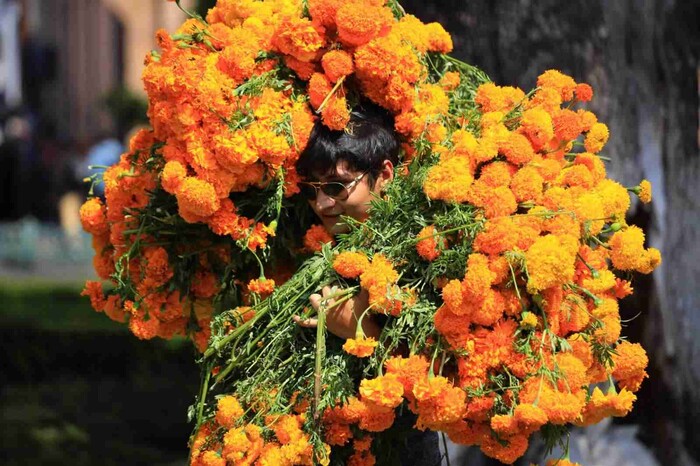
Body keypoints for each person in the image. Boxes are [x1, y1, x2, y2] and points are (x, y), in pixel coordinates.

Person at [292, 104, 443, 466]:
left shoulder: (426, 246)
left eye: (336, 186)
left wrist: (361, 330)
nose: (323, 203)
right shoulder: (318, 244)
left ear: (385, 174)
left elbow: (442, 367)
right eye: (312, 191)